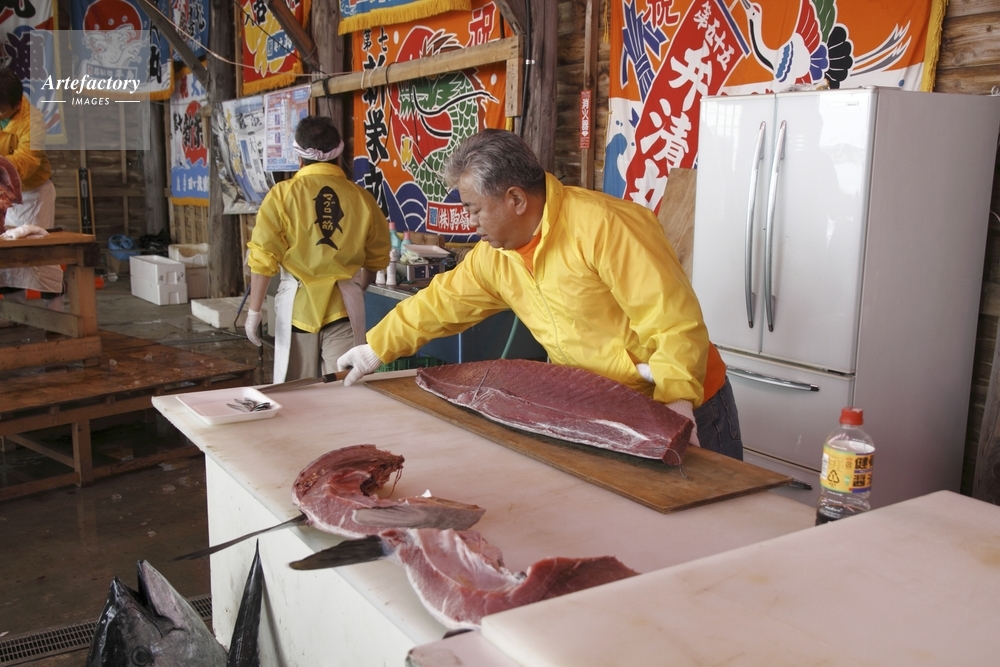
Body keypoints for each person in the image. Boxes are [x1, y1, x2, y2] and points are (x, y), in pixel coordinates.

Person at [338, 129, 743, 460]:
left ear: (515, 199)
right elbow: (441, 302)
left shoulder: (604, 226)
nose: (470, 222)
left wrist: (678, 401)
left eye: (474, 209)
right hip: (600, 404)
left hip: (682, 399)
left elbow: (670, 318)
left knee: (717, 523)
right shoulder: (496, 256)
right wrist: (376, 348)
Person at [245, 116, 391, 383]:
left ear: (299, 156)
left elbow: (263, 257)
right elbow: (377, 256)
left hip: (297, 310)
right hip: (344, 310)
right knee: (343, 390)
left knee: (298, 394)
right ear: (339, 153)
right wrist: (358, 287)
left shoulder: (281, 195)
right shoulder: (362, 198)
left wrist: (254, 311)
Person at [0, 67, 62, 312]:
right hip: (3, 195)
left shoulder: (33, 121)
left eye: (2, 110)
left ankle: (55, 314)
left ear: (17, 104)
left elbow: (27, 160)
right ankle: (16, 315)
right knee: (6, 257)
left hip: (34, 194)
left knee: (41, 256)